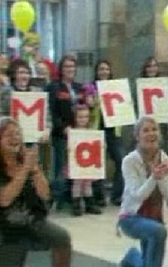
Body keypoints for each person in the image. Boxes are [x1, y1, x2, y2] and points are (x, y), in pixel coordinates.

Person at [0, 117, 76, 267]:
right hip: (5, 232)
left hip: (33, 222)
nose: (15, 138)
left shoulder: (27, 161)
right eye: (9, 135)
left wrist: (35, 170)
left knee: (62, 237)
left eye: (18, 134)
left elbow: (45, 193)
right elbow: (4, 199)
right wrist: (25, 169)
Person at [117, 116, 168, 267]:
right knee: (159, 232)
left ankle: (132, 257)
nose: (151, 133)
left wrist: (161, 178)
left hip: (154, 217)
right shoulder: (129, 161)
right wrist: (153, 177)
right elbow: (137, 195)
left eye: (154, 129)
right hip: (131, 217)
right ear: (137, 136)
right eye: (146, 130)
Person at [83, 60, 125, 207]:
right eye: (101, 69)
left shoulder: (116, 87)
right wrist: (97, 96)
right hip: (97, 129)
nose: (104, 72)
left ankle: (117, 194)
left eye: (106, 69)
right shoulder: (90, 87)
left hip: (113, 129)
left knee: (121, 160)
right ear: (96, 71)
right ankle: (98, 196)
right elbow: (89, 104)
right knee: (97, 164)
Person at [46, 55, 85, 211]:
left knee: (74, 168)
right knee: (61, 168)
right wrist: (62, 127)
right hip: (61, 134)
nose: (69, 69)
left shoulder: (79, 87)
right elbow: (51, 111)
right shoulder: (54, 87)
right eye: (66, 66)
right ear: (61, 69)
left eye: (72, 66)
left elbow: (83, 109)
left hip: (79, 134)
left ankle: (69, 199)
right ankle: (54, 198)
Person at [68, 104, 101, 216]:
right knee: (77, 183)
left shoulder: (91, 131)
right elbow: (69, 147)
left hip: (88, 162)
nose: (83, 119)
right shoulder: (72, 131)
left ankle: (89, 204)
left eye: (86, 117)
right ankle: (76, 204)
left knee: (87, 183)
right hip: (77, 161)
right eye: (80, 117)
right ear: (75, 118)